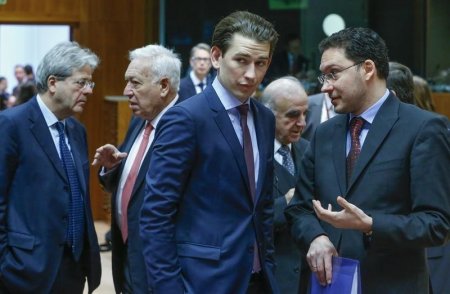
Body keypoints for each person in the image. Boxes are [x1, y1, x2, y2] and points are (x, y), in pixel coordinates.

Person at [285, 27, 450, 294]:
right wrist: (316, 237)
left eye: (333, 74)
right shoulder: (324, 133)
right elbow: (299, 209)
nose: (325, 86)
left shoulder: (423, 128)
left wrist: (372, 225)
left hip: (392, 284)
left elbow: (436, 224)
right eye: (323, 76)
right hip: (329, 285)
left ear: (368, 69)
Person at [140, 11, 279, 293]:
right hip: (202, 281)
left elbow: (262, 205)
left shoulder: (265, 118)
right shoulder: (186, 118)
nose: (252, 73)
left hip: (258, 279)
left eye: (261, 63)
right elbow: (156, 215)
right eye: (241, 60)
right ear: (216, 57)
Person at [0, 41, 101, 293]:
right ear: (53, 83)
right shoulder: (11, 125)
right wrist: (6, 263)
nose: (88, 91)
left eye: (91, 83)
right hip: (23, 270)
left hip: (72, 269)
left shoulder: (78, 130)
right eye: (81, 82)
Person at [92, 44, 181, 294]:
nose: (126, 91)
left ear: (164, 86)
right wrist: (111, 169)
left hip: (162, 266)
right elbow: (132, 179)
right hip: (127, 255)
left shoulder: (187, 126)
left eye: (135, 83)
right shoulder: (140, 119)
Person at [261, 76, 309, 294]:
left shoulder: (309, 151)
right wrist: (286, 202)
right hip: (269, 279)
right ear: (268, 116)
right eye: (293, 115)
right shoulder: (250, 156)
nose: (302, 123)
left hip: (310, 278)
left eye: (304, 114)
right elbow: (240, 221)